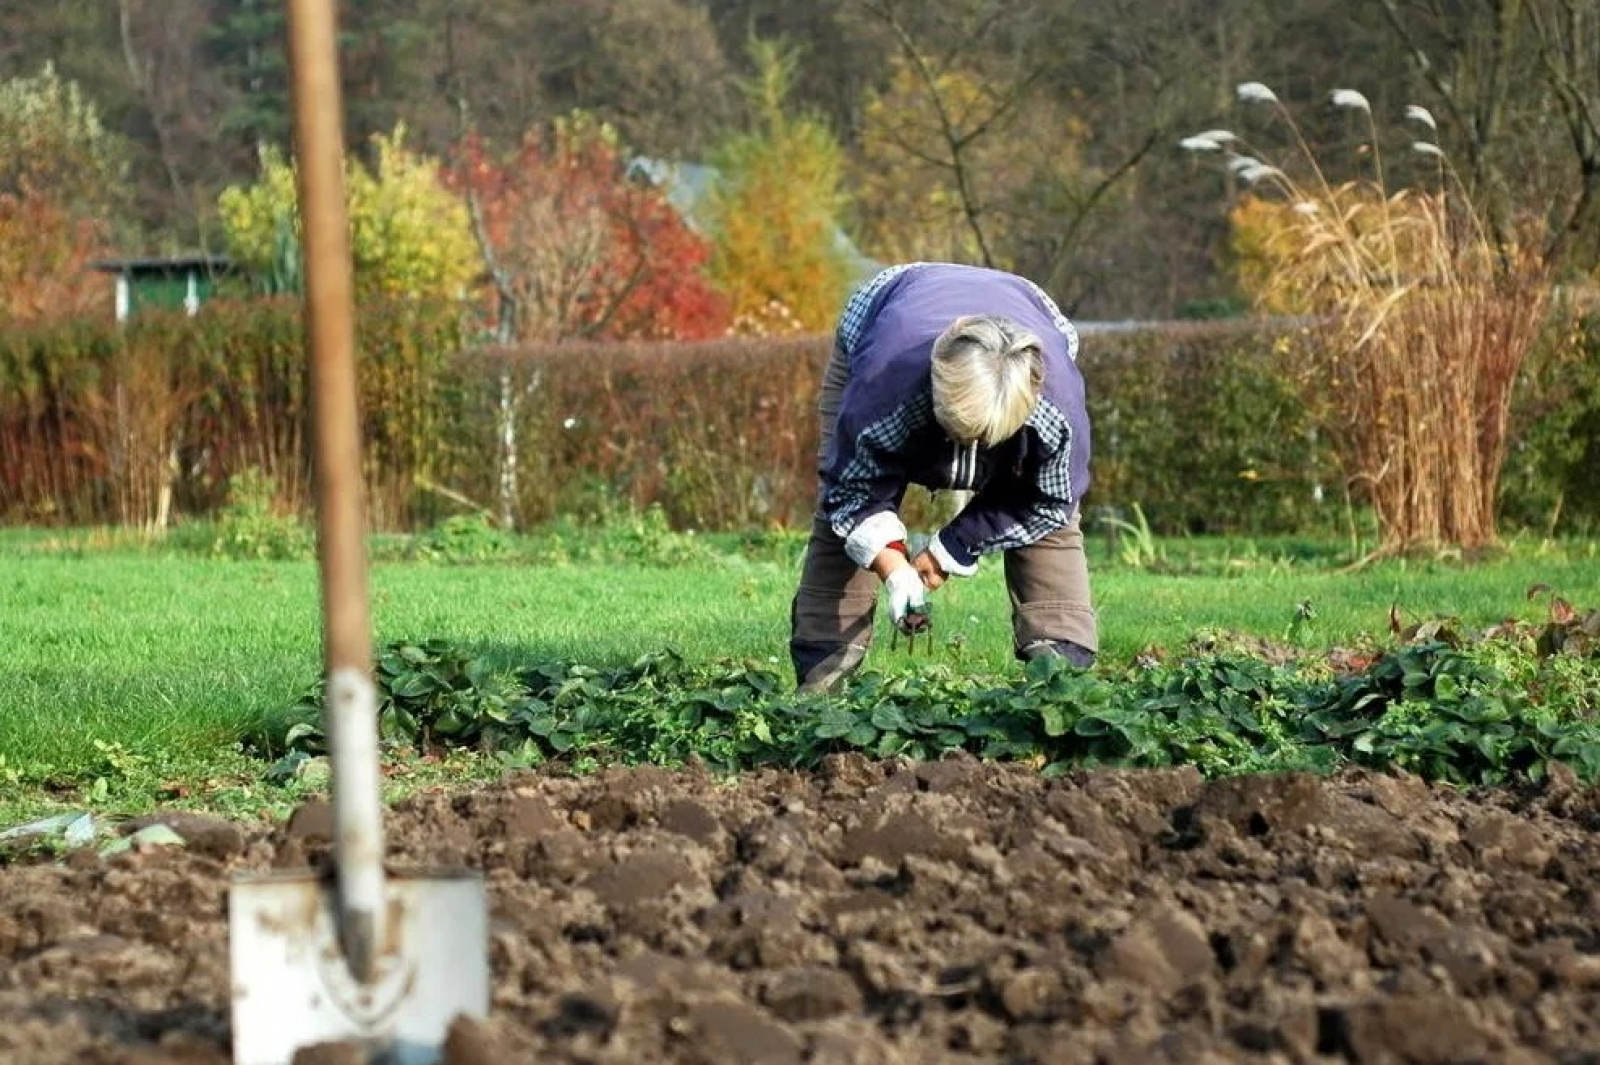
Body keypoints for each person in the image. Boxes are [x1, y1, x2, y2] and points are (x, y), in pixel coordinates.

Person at [789, 261, 1097, 692]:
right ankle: (823, 672)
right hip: (889, 314)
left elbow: (1048, 501)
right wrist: (895, 569)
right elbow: (854, 489)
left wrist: (953, 547)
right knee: (838, 515)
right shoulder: (883, 381)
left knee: (1054, 529)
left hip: (1027, 310)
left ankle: (1061, 676)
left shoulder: (1057, 409)